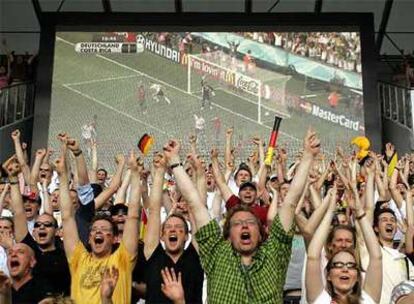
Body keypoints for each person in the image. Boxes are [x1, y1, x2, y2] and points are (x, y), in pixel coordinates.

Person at [161, 128, 320, 303]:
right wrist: (175, 162)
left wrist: (307, 157)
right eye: (237, 224)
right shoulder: (216, 253)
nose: (244, 226)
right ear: (228, 234)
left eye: (250, 222)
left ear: (261, 233)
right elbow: (195, 203)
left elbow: (290, 201)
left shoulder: (275, 253)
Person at [56, 142, 141, 304]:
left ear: (115, 238)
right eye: (94, 230)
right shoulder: (78, 259)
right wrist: (62, 176)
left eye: (104, 229)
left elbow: (133, 216)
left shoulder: (122, 259)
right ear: (89, 237)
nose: (98, 232)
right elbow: (67, 217)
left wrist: (135, 174)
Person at [306, 183, 383, 304]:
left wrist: (359, 212)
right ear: (328, 275)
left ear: (358, 276)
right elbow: (312, 256)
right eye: (338, 265)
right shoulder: (321, 301)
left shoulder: (367, 300)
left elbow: (376, 257)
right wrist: (330, 211)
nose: (345, 269)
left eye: (351, 265)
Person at [143, 152, 204, 304]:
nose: (172, 230)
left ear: (187, 236)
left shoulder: (195, 257)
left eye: (179, 228)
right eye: (168, 227)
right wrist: (159, 171)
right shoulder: (153, 256)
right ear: (161, 236)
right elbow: (154, 210)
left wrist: (199, 175)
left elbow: (200, 207)